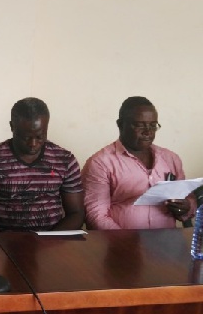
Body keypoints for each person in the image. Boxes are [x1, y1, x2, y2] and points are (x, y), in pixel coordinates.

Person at [0, 97, 85, 231]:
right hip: (4, 243)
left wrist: (49, 240)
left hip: (53, 243)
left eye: (40, 136)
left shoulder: (65, 160)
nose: (33, 144)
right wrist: (5, 241)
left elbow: (76, 214)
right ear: (12, 127)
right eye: (26, 137)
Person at [81, 96, 194, 229]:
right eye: (140, 125)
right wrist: (126, 243)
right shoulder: (101, 163)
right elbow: (95, 215)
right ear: (120, 124)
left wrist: (186, 207)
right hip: (120, 244)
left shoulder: (171, 158)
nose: (148, 132)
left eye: (153, 125)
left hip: (167, 242)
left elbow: (188, 202)